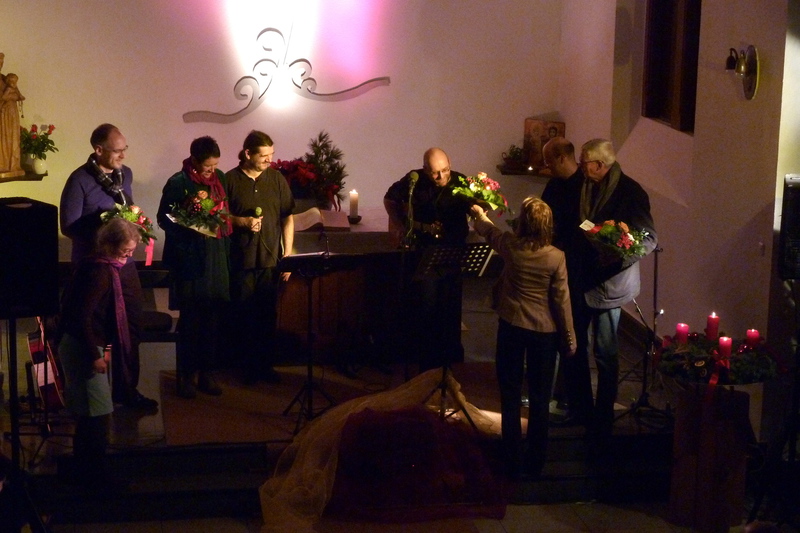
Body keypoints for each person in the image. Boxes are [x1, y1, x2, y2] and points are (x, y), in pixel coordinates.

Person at [471, 197, 576, 479]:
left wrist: (479, 214)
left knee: (510, 392)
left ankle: (511, 456)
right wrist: (569, 338)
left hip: (512, 325)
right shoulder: (556, 257)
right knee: (541, 399)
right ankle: (536, 461)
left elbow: (489, 231)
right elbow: (562, 301)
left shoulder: (511, 246)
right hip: (544, 331)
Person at [60, 123, 158, 410]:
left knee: (131, 325)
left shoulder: (125, 175)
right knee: (96, 323)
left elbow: (128, 210)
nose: (123, 156)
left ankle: (127, 391)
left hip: (123, 264)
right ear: (99, 150)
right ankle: (94, 390)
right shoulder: (79, 180)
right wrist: (106, 226)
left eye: (125, 149)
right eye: (117, 151)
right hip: (96, 266)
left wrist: (134, 220)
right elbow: (68, 226)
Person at [570, 138, 657, 441]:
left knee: (605, 351)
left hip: (610, 283)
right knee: (576, 345)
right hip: (582, 277)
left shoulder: (631, 193)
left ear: (599, 165)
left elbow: (648, 239)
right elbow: (581, 224)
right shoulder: (584, 186)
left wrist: (617, 254)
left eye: (584, 162)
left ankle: (603, 416)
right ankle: (581, 407)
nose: (580, 167)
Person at [58, 217, 141, 490]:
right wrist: (94, 354)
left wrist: (105, 350)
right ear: (110, 246)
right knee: (98, 415)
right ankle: (94, 477)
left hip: (86, 345)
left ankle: (85, 474)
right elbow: (82, 317)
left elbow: (102, 320)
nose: (129, 256)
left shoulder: (100, 266)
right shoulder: (99, 272)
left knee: (90, 415)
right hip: (82, 347)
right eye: (125, 251)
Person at [383, 148, 476, 371]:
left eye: (445, 170)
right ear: (425, 169)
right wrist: (398, 224)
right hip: (425, 252)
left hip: (453, 251)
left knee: (450, 307)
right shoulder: (414, 180)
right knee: (427, 307)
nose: (441, 176)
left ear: (450, 163)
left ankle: (448, 364)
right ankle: (427, 364)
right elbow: (389, 199)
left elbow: (475, 208)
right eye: (435, 172)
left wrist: (482, 210)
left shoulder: (461, 182)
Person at [158, 136, 231, 399]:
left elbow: (223, 213)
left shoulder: (220, 178)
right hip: (189, 257)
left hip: (215, 255)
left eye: (215, 165)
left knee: (212, 318)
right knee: (190, 320)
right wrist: (190, 223)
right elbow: (164, 218)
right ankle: (186, 376)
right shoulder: (179, 182)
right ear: (194, 160)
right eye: (207, 166)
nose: (212, 170)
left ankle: (207, 373)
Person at [225, 130, 294, 384]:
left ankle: (265, 366)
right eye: (264, 155)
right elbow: (218, 217)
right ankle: (244, 369)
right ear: (247, 153)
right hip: (240, 261)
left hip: (269, 260)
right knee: (243, 316)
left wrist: (288, 254)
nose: (269, 160)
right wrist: (241, 221)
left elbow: (287, 217)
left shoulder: (276, 179)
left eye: (271, 155)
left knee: (266, 316)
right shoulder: (230, 180)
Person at [541, 137, 586, 425]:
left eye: (549, 161)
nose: (547, 167)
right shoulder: (554, 185)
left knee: (572, 332)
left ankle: (572, 398)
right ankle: (553, 390)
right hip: (553, 263)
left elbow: (587, 225)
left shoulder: (586, 187)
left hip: (575, 268)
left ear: (561, 158)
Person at [0, 72, 24, 174]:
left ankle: (13, 165)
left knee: (13, 136)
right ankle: (3, 165)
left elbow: (20, 97)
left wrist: (13, 96)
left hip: (12, 111)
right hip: (3, 113)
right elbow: (3, 98)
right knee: (4, 137)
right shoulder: (7, 83)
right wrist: (12, 96)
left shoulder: (6, 79)